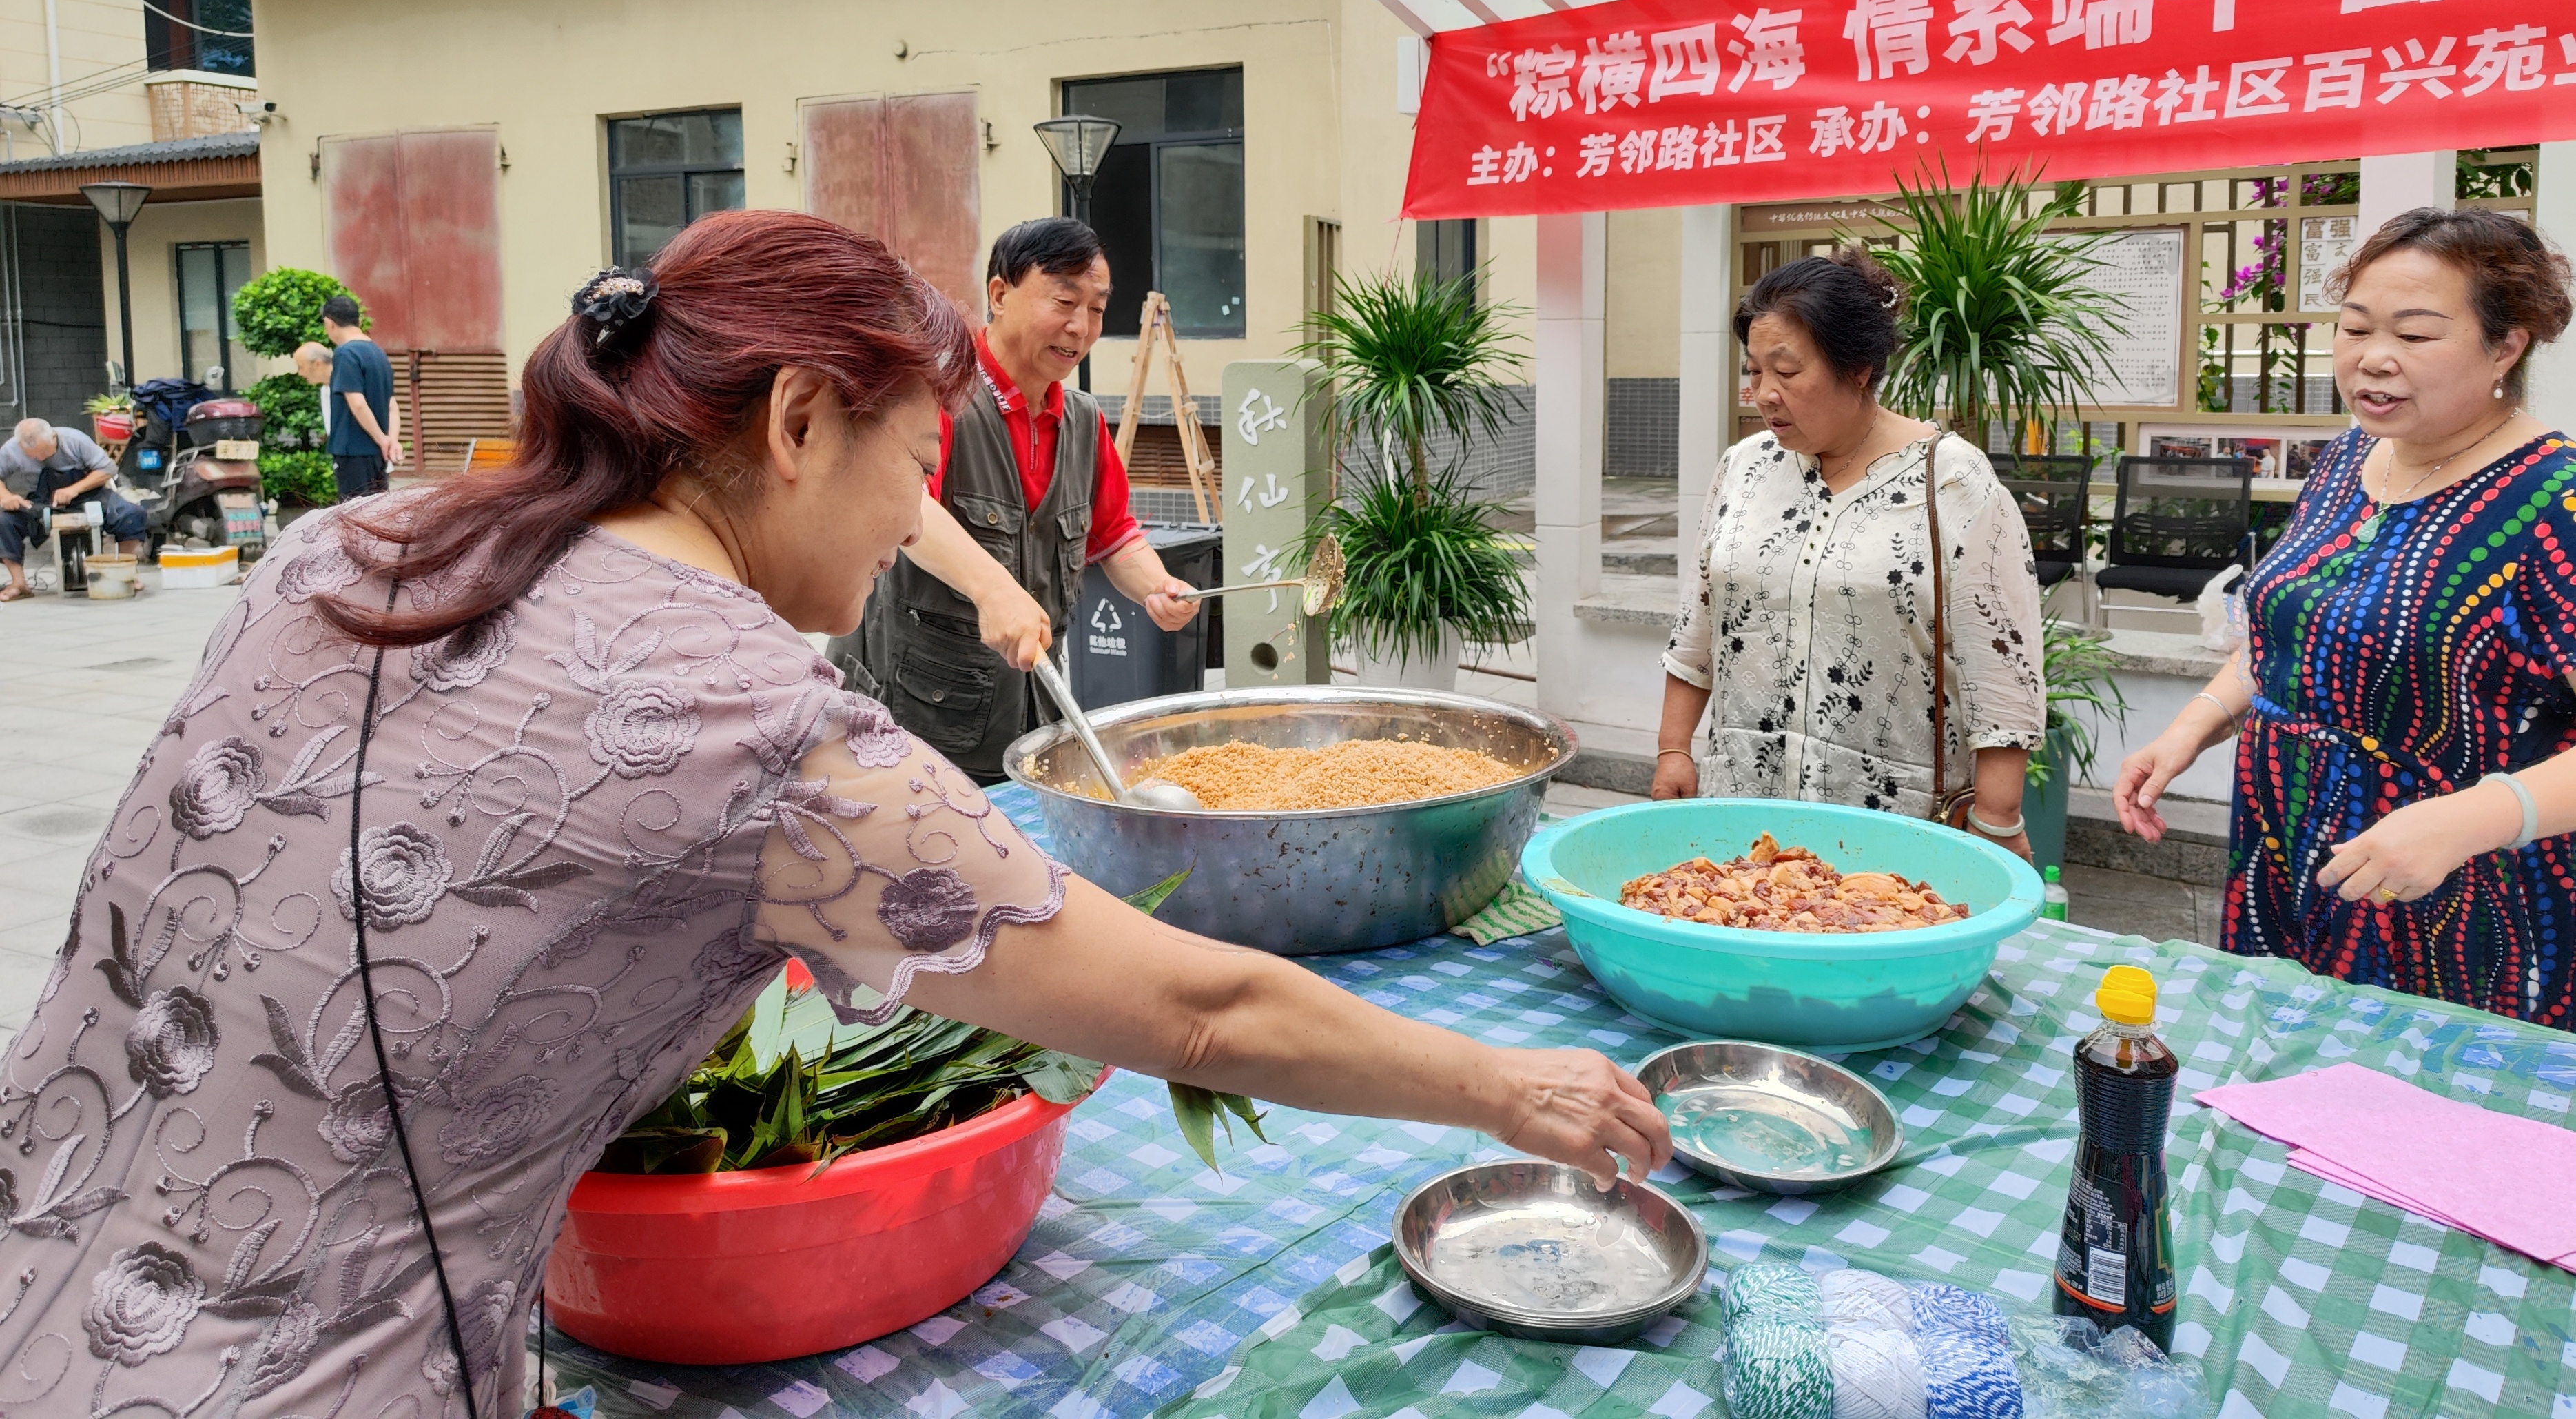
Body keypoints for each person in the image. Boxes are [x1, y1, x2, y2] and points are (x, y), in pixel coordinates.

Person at [1, 211, 1667, 1419]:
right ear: (798, 420)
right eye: (911, 467)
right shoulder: (758, 727)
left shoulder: (342, 545)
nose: (912, 520)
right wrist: (1502, 1083)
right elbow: (1195, 1006)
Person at [2114, 208, 2576, 1029]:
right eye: (2353, 327)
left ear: (2505, 347)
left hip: (2456, 892)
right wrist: (2195, 722)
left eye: (2418, 334)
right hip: (2286, 851)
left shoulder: (2553, 500)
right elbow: (2291, 636)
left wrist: (2467, 819)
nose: (2372, 358)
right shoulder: (2345, 459)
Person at [1653, 249, 2046, 857]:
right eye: (1754, 371)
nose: (1763, 394)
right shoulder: (1745, 467)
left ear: (1858, 368)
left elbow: (2000, 667)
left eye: (1786, 371)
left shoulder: (1949, 480)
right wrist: (1674, 749)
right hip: (1741, 806)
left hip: (1889, 826)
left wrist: (1997, 819)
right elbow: (1699, 622)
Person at [831, 216, 1201, 779]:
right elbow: (909, 511)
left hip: (1031, 722)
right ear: (1000, 295)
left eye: (1097, 309)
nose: (1080, 327)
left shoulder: (1081, 420)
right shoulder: (934, 395)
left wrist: (1159, 588)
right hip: (917, 725)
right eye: (1063, 302)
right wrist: (994, 590)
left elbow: (1113, 535)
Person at [0, 415, 147, 601]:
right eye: (34, 456)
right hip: (42, 501)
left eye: (45, 453)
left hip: (88, 494)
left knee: (131, 514)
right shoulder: (12, 449)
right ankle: (19, 583)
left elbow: (108, 469)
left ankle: (125, 574)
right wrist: (6, 496)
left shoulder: (74, 440)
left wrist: (74, 490)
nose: (40, 458)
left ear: (53, 437)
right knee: (5, 521)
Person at [323, 293, 402, 496]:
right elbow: (392, 404)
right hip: (377, 454)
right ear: (358, 321)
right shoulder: (378, 352)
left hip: (353, 452)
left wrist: (381, 439)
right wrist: (390, 440)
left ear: (329, 323)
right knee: (376, 514)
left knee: (354, 518)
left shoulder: (345, 353)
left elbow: (357, 403)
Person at [294, 337, 335, 445]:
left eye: (301, 367)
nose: (300, 373)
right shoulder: (325, 388)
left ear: (318, 364)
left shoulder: (348, 383)